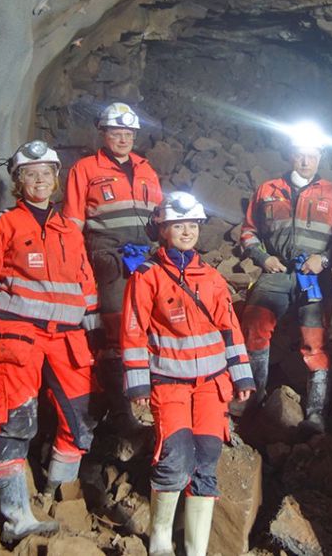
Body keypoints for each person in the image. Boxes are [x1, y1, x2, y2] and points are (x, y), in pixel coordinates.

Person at [0, 140, 100, 544]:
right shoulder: (2, 224)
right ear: (18, 182)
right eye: (30, 174)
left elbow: (86, 286)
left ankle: (56, 494)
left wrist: (95, 337)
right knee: (13, 422)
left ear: (56, 180)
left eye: (46, 174)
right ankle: (16, 517)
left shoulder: (69, 231)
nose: (39, 181)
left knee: (79, 420)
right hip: (17, 334)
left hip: (68, 339)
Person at [121, 192, 255, 556]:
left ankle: (196, 550)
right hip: (170, 385)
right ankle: (161, 540)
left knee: (207, 460)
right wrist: (137, 383)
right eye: (178, 226)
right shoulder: (147, 277)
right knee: (175, 458)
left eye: (192, 225)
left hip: (212, 386)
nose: (186, 232)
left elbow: (230, 329)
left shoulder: (210, 277)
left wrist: (242, 377)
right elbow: (133, 331)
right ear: (163, 229)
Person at [238, 120, 332, 432]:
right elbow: (249, 232)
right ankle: (254, 398)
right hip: (277, 273)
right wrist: (263, 258)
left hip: (314, 277)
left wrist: (326, 259)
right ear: (291, 155)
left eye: (312, 155)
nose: (306, 161)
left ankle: (316, 413)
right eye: (300, 154)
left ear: (319, 156)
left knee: (314, 341)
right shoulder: (267, 190)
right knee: (254, 324)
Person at [64, 102, 162, 430]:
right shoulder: (86, 169)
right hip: (109, 256)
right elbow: (73, 221)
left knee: (151, 325)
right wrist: (78, 263)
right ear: (103, 134)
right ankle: (122, 412)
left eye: (128, 133)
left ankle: (151, 400)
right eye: (116, 132)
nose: (123, 139)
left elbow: (159, 219)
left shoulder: (147, 169)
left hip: (145, 257)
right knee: (119, 329)